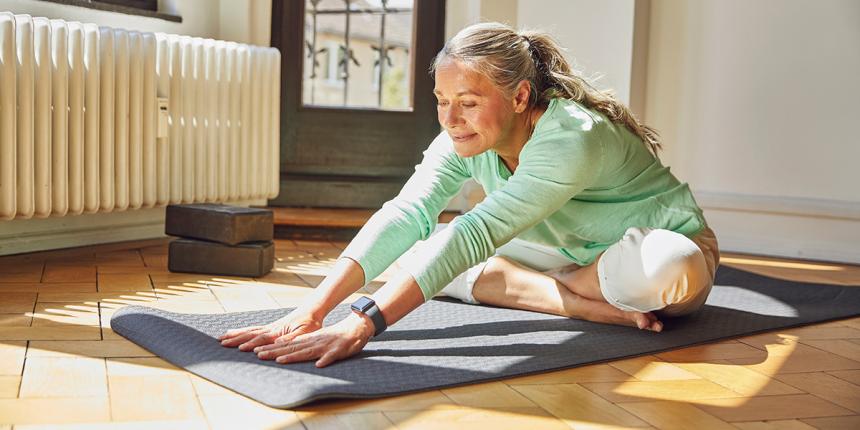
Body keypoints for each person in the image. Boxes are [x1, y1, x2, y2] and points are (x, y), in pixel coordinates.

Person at [219, 22, 719, 368]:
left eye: (468, 102)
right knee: (415, 250)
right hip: (558, 251)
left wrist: (362, 323)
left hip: (652, 251)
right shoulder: (465, 138)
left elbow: (476, 231)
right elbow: (409, 211)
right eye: (441, 101)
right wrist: (313, 309)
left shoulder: (572, 136)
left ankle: (569, 286)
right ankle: (582, 300)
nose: (450, 119)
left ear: (520, 97)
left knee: (670, 268)